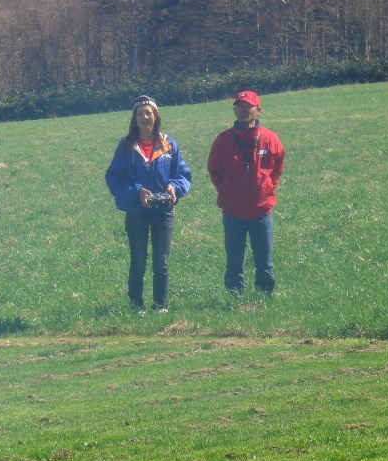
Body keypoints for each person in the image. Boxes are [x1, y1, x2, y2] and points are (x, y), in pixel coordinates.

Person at [105, 95, 193, 315]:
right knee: (138, 261)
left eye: (148, 113)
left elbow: (182, 175)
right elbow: (115, 179)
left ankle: (161, 305)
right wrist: (137, 192)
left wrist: (174, 188)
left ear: (156, 116)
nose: (144, 117)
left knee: (161, 262)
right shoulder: (126, 147)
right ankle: (136, 306)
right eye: (140, 114)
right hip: (137, 213)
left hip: (163, 212)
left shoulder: (169, 145)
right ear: (134, 119)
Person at [207, 90, 285, 296]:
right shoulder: (223, 140)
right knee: (234, 262)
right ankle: (235, 298)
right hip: (233, 213)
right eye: (239, 107)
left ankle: (264, 297)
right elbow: (214, 170)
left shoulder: (269, 138)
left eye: (248, 107)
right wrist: (227, 190)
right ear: (234, 110)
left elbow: (277, 166)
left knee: (265, 262)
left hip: (262, 212)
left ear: (258, 110)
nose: (244, 111)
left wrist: (268, 187)